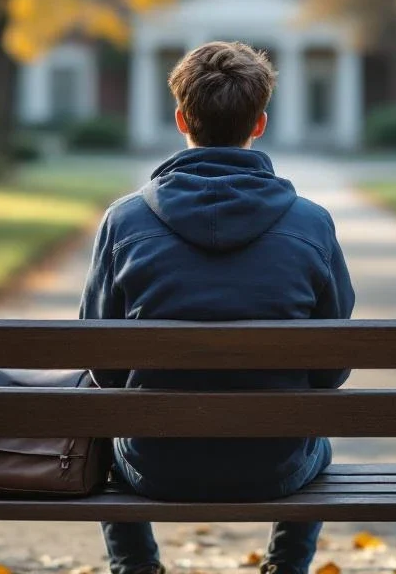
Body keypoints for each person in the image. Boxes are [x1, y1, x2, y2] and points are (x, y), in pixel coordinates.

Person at [80, 41, 355, 574]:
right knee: (318, 437)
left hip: (152, 465)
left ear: (182, 118)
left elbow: (104, 367)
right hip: (275, 465)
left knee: (101, 422)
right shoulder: (312, 224)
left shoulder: (124, 222)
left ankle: (136, 565)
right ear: (260, 123)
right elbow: (331, 370)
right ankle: (286, 564)